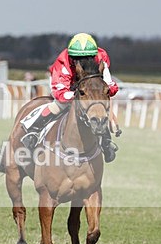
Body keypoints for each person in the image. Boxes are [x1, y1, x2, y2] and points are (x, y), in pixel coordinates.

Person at [20, 33, 120, 162]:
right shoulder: (63, 62)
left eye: (88, 57)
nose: (83, 61)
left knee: (98, 109)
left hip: (88, 86)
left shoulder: (101, 57)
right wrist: (79, 94)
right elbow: (60, 93)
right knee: (59, 105)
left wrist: (101, 92)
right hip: (66, 87)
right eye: (77, 58)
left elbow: (110, 85)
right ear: (71, 56)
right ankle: (33, 131)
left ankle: (106, 141)